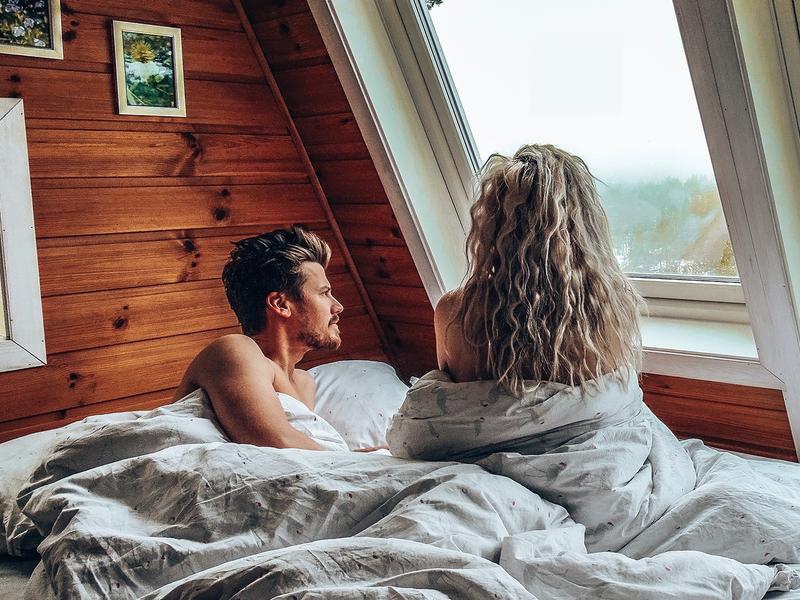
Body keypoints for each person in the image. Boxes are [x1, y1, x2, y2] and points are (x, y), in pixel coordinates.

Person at [434, 143, 643, 394]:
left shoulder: (455, 313)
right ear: (586, 226)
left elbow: (450, 398)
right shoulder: (612, 309)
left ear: (490, 224)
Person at [173, 226, 346, 450]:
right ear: (281, 304)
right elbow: (276, 443)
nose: (338, 306)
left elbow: (311, 452)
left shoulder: (304, 384)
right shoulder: (233, 349)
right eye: (324, 293)